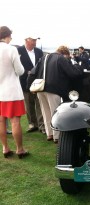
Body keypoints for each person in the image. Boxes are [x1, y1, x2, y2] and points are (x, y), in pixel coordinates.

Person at [36, 46, 84, 143]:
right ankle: (57, 136)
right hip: (54, 89)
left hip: (40, 88)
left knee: (46, 112)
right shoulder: (61, 58)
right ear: (65, 54)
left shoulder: (44, 57)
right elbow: (73, 73)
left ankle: (49, 133)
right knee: (55, 113)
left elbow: (33, 72)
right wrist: (78, 66)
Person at [0, 26, 29, 159]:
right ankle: (20, 149)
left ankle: (5, 148)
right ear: (6, 36)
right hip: (11, 91)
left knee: (1, 122)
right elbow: (20, 71)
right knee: (15, 122)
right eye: (10, 36)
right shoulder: (11, 49)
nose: (11, 38)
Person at [18, 35, 45, 134]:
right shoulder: (19, 51)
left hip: (38, 82)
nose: (34, 42)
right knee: (29, 105)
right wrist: (27, 72)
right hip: (25, 82)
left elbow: (42, 65)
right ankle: (32, 124)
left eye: (35, 40)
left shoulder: (39, 51)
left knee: (40, 104)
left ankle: (42, 125)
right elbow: (17, 66)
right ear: (26, 40)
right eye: (32, 40)